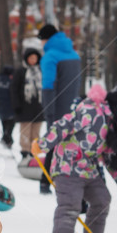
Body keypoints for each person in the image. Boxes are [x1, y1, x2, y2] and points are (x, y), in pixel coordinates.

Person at [32, 78, 117, 233]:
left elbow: (111, 158)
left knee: (102, 200)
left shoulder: (112, 126)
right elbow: (62, 126)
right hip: (67, 166)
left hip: (88, 170)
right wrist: (42, 145)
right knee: (70, 205)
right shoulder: (91, 111)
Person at [37, 24, 82, 195]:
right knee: (72, 144)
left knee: (53, 142)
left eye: (41, 39)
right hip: (73, 107)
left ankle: (45, 181)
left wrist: (48, 111)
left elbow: (48, 86)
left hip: (56, 107)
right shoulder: (74, 54)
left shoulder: (50, 56)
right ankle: (71, 180)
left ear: (46, 39)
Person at [11, 47, 45, 158]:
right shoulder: (21, 72)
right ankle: (25, 153)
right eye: (31, 58)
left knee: (36, 133)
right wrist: (16, 104)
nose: (33, 60)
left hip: (38, 108)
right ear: (26, 59)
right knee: (25, 132)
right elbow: (14, 89)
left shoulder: (41, 72)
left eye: (35, 58)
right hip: (24, 108)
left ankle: (34, 153)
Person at [0, 65, 15, 149]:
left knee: (4, 123)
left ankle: (5, 137)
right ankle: (8, 139)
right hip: (10, 105)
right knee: (10, 124)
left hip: (1, 105)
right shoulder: (11, 80)